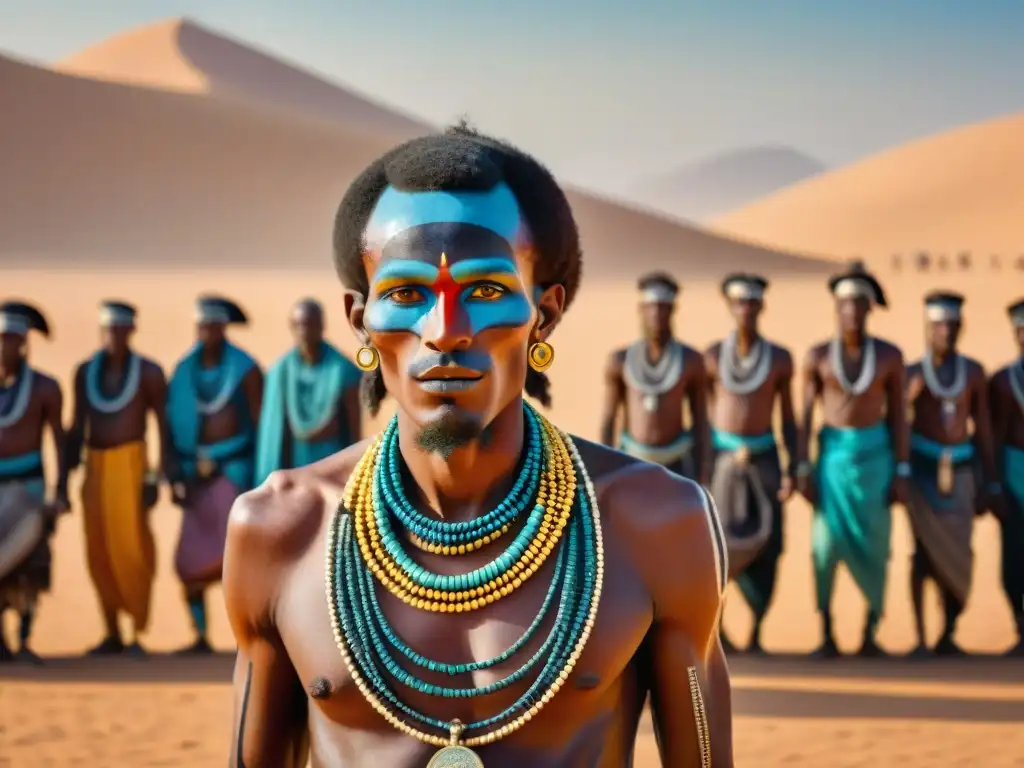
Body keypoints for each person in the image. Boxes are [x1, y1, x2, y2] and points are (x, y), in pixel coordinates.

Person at [223, 125, 733, 767]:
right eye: (407, 294)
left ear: (544, 313)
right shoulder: (280, 530)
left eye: (486, 291)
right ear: (360, 320)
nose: (444, 331)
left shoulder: (656, 522)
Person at [797, 263, 909, 658]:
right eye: (845, 304)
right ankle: (825, 631)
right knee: (824, 547)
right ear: (836, 308)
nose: (852, 312)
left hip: (877, 462)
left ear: (869, 308)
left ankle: (869, 631)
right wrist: (802, 467)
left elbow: (899, 416)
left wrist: (903, 468)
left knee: (877, 546)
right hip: (832, 464)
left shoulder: (890, 356)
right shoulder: (817, 356)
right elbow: (804, 416)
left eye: (859, 304)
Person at [66, 301, 174, 656]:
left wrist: (157, 477)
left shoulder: (148, 373)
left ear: (131, 331)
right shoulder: (85, 372)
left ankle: (135, 632)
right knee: (98, 550)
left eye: (120, 329)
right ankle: (111, 630)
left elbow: (163, 425)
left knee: (132, 550)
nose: (114, 336)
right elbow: (76, 424)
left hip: (131, 466)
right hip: (95, 468)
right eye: (108, 329)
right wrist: (63, 480)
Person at [704, 274, 796, 654]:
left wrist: (796, 467)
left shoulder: (779, 358)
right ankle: (718, 632)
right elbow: (704, 417)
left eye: (751, 302)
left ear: (761, 307)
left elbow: (788, 418)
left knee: (769, 545)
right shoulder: (711, 357)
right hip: (724, 463)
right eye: (739, 302)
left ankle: (758, 631)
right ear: (730, 307)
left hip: (765, 462)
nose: (745, 309)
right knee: (718, 548)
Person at [904, 292, 1000, 656]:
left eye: (952, 325)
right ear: (928, 329)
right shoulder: (913, 373)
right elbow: (897, 424)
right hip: (922, 474)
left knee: (959, 552)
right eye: (939, 326)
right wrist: (908, 400)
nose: (946, 332)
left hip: (961, 472)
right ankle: (921, 637)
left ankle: (948, 632)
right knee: (922, 554)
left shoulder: (973, 373)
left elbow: (985, 430)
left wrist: (990, 481)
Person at [167, 296, 262, 654]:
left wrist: (251, 474)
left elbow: (259, 426)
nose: (207, 332)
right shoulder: (183, 371)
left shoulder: (245, 370)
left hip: (234, 473)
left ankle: (249, 636)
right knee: (190, 561)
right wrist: (176, 472)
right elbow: (170, 425)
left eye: (213, 326)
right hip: (195, 478)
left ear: (223, 328)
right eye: (201, 325)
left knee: (239, 561)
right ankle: (200, 636)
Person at [0, 301, 68, 663]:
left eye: (11, 339)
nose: (4, 346)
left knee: (30, 566)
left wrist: (61, 491)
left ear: (24, 343)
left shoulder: (45, 388)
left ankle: (25, 639)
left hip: (30, 491)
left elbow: (59, 441)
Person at [600, 272, 710, 484]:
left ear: (673, 310)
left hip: (677, 464)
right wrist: (602, 467)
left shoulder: (691, 360)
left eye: (663, 306)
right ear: (641, 310)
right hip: (631, 462)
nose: (657, 313)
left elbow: (700, 421)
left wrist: (703, 471)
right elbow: (608, 419)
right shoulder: (620, 360)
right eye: (651, 306)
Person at [254, 298, 362, 486]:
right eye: (299, 324)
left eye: (310, 324)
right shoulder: (280, 372)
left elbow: (353, 431)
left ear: (321, 326)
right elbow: (275, 432)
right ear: (291, 327)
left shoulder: (343, 370)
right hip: (295, 465)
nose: (304, 331)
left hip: (331, 465)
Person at [989, 298, 1024, 656]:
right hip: (1015, 472)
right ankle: (1020, 623)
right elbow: (994, 434)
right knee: (1015, 556)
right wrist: (994, 483)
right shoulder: (1003, 381)